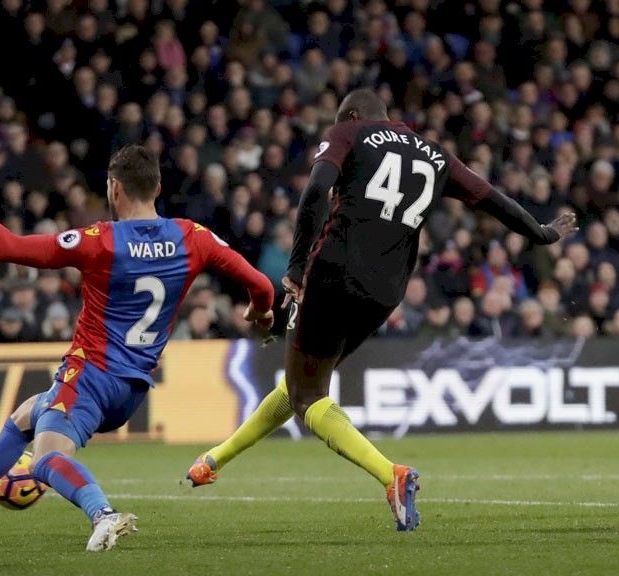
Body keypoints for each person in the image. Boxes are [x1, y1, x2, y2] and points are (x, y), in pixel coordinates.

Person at [185, 89, 578, 532]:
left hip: (335, 272)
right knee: (303, 383)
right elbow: (492, 200)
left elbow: (316, 191)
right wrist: (542, 233)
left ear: (353, 115)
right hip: (386, 291)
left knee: (306, 392)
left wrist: (295, 267)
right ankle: (215, 459)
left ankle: (391, 475)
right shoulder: (435, 155)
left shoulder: (349, 131)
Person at [0, 146, 275, 551]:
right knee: (26, 416)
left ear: (113, 189)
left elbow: (3, 247)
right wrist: (261, 315)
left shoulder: (100, 241)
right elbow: (262, 287)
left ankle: (102, 514)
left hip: (88, 376)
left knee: (44, 459)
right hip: (131, 391)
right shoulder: (192, 237)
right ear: (157, 187)